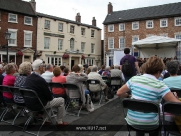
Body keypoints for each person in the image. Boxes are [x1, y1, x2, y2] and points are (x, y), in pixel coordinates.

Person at [117, 56, 181, 136]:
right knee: (154, 122)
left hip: (132, 121)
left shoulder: (134, 79)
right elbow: (176, 104)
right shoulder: (160, 85)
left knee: (140, 120)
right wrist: (175, 97)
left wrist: (128, 96)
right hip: (151, 124)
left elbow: (119, 93)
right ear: (159, 71)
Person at [23, 59, 67, 126]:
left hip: (29, 104)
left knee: (49, 101)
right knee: (61, 100)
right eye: (43, 66)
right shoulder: (40, 80)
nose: (44, 67)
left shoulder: (28, 78)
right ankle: (59, 121)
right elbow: (49, 97)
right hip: (39, 104)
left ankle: (46, 120)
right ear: (40, 67)